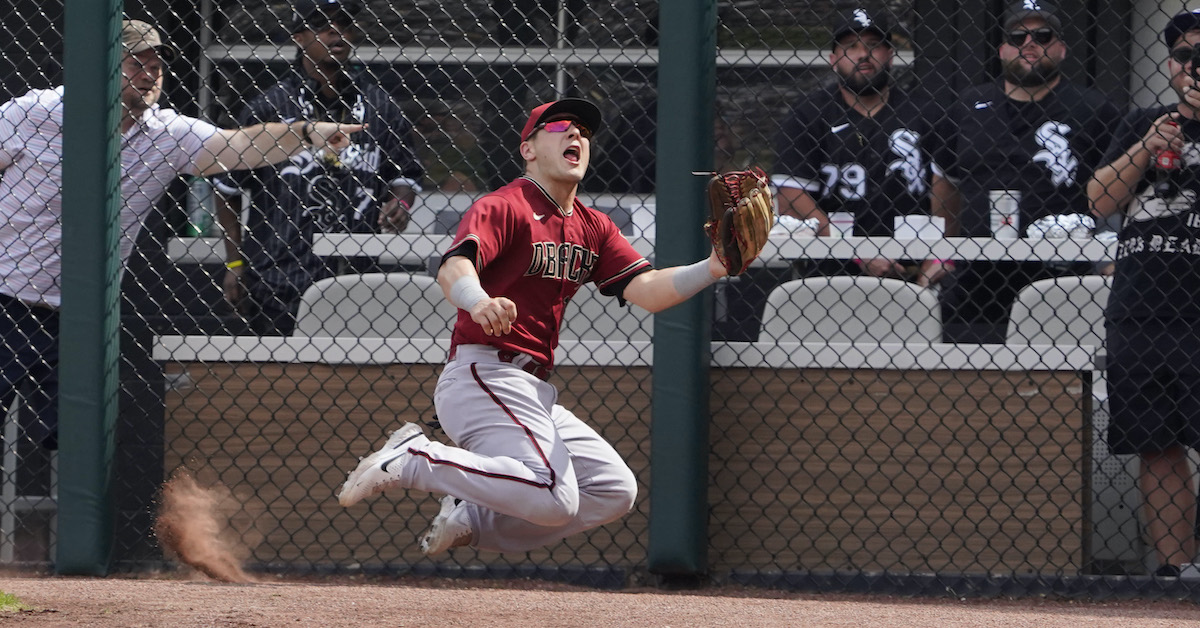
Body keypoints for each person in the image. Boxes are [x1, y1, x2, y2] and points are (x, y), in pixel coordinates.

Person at [337, 98, 743, 555]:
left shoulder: (593, 225)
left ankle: (473, 518)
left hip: (530, 389)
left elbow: (648, 289)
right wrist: (479, 300)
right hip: (482, 375)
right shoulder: (504, 206)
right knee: (555, 497)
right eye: (562, 126)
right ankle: (412, 458)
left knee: (613, 491)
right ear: (527, 149)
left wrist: (715, 266)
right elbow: (453, 268)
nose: (577, 135)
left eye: (584, 132)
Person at [0, 19, 361, 449]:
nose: (151, 74)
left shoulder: (168, 135)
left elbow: (239, 146)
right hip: (4, 294)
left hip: (82, 315)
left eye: (158, 65)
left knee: (78, 443)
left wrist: (306, 133)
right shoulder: (34, 112)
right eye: (137, 63)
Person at [213, 0, 424, 335]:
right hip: (281, 279)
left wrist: (400, 202)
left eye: (344, 24)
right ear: (299, 37)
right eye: (322, 25)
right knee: (280, 381)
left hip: (359, 278)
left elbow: (405, 176)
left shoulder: (378, 106)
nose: (336, 31)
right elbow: (226, 190)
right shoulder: (269, 107)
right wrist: (235, 263)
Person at [1086, 8, 1200, 578]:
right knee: (1157, 442)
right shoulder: (1142, 121)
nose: (1192, 67)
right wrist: (1146, 146)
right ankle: (1175, 571)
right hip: (1143, 307)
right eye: (1183, 56)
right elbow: (1100, 200)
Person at [934, 0, 1120, 343]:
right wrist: (944, 253)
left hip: (1063, 275)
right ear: (1003, 50)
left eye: (1043, 35)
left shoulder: (1094, 109)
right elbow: (946, 183)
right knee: (967, 380)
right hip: (977, 274)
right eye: (1018, 36)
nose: (1029, 43)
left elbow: (1115, 189)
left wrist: (1105, 257)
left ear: (1062, 49)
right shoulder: (967, 105)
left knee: (1060, 383)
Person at [773, 8, 958, 287]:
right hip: (831, 271)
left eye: (873, 46)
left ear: (890, 56)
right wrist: (856, 252)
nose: (863, 54)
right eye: (851, 47)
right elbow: (790, 198)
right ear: (834, 60)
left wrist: (938, 261)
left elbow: (950, 193)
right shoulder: (808, 114)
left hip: (915, 271)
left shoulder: (927, 114)